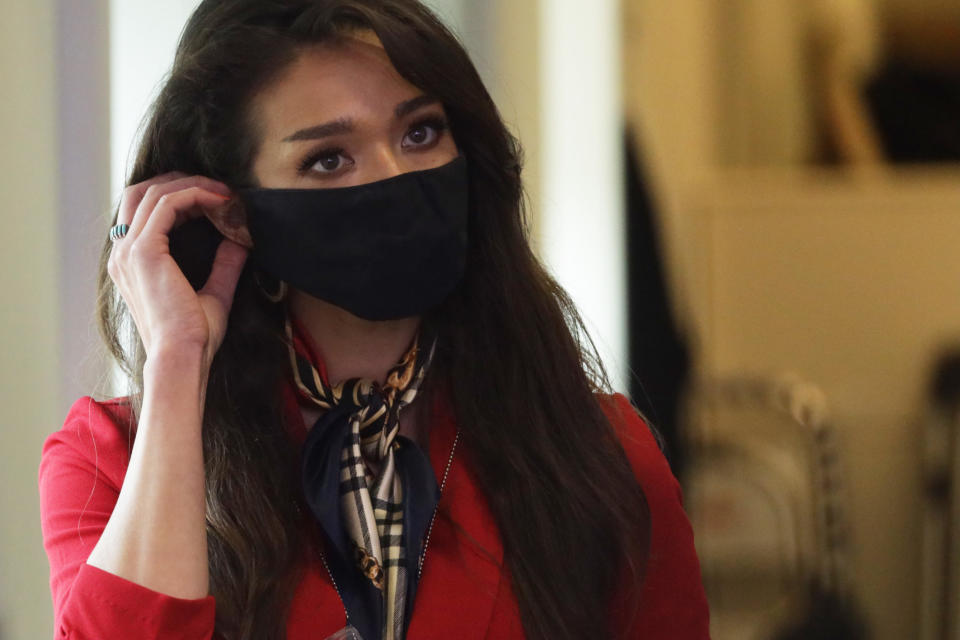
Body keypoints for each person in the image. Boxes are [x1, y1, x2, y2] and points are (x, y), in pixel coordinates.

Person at [38, 1, 709, 639]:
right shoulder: (110, 461)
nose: (395, 177)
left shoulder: (598, 453)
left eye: (421, 132)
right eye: (328, 159)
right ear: (232, 213)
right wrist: (179, 357)